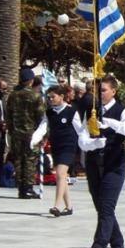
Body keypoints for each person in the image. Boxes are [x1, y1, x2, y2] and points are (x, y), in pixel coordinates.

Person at [78, 75, 125, 248]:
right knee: (102, 208)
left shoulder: (123, 111)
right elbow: (82, 139)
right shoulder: (92, 111)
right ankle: (118, 246)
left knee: (106, 206)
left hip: (114, 164)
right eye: (98, 90)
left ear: (114, 91)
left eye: (104, 90)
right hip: (94, 164)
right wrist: (94, 143)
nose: (101, 94)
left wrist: (112, 124)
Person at [31, 84, 83, 217]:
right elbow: (42, 128)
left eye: (53, 97)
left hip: (69, 146)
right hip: (56, 147)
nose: (50, 99)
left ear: (61, 96)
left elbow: (81, 130)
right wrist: (34, 140)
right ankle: (69, 206)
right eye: (49, 97)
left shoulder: (71, 111)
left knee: (60, 174)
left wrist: (88, 143)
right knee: (62, 177)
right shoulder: (49, 112)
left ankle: (57, 206)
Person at [4, 68, 45, 199]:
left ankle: (21, 188)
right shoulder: (35, 96)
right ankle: (28, 188)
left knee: (18, 159)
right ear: (31, 80)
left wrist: (11, 129)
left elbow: (8, 114)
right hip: (31, 133)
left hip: (16, 132)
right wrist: (43, 134)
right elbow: (41, 116)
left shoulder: (13, 95)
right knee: (30, 160)